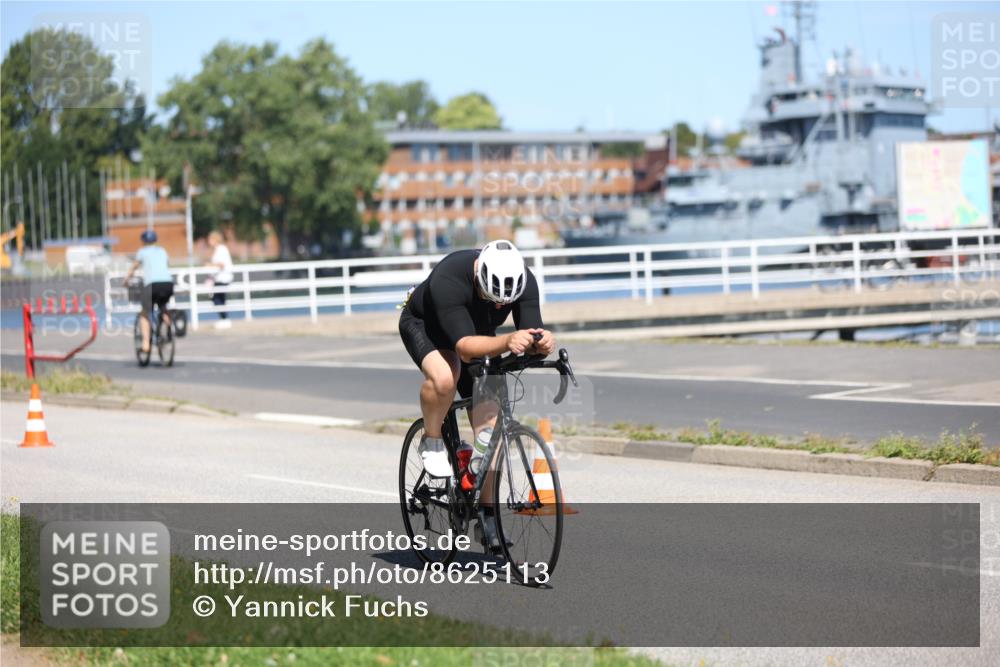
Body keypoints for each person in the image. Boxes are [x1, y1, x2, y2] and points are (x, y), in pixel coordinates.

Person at [399, 240, 555, 483]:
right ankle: (432, 439)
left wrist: (541, 345)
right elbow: (463, 348)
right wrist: (507, 341)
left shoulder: (524, 280)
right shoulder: (449, 276)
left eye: (505, 302)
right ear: (478, 275)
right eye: (492, 298)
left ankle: (485, 514)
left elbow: (529, 336)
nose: (499, 306)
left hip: (478, 336)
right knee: (445, 377)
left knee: (492, 433)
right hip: (427, 327)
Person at [124, 230, 173, 354]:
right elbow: (167, 264)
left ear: (143, 241)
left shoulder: (142, 252)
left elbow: (134, 266)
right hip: (167, 284)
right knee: (163, 307)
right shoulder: (162, 250)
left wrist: (127, 279)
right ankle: (169, 326)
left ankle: (146, 343)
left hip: (152, 285)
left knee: (144, 313)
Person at [206, 231, 234, 329]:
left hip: (223, 278)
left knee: (217, 298)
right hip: (217, 278)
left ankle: (224, 319)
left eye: (210, 239)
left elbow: (222, 264)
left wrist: (210, 265)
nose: (209, 241)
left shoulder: (221, 249)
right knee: (218, 298)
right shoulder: (217, 249)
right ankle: (224, 319)